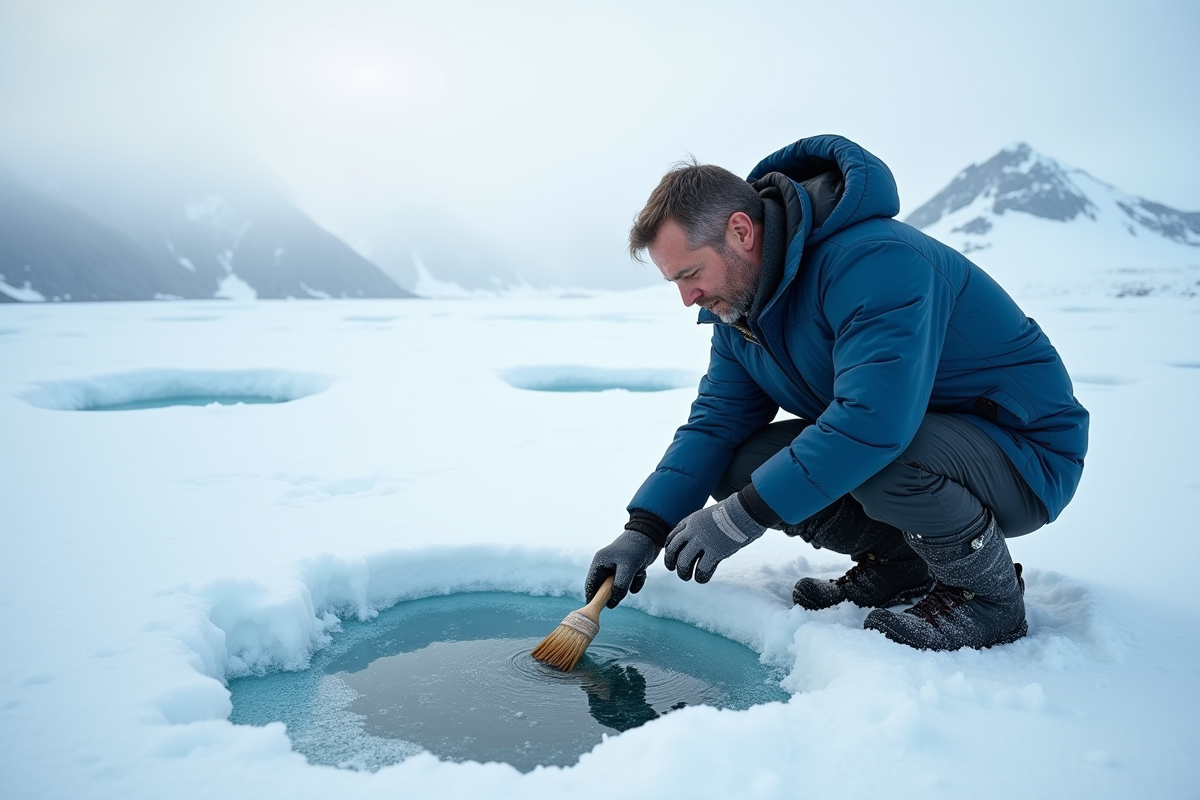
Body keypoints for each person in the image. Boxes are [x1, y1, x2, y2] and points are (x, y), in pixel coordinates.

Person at [584, 135, 1089, 651]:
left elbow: (874, 422)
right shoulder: (741, 308)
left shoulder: (874, 259)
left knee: (882, 454)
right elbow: (716, 423)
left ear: (740, 232)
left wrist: (742, 517)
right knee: (739, 461)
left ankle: (988, 600)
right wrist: (644, 528)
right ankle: (900, 565)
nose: (687, 297)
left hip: (1024, 453)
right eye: (675, 281)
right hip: (923, 439)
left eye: (691, 274)